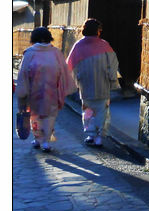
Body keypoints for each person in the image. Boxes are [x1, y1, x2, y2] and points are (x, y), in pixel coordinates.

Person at [15, 27, 76, 152]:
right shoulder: (56, 52)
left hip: (34, 91)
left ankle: (38, 139)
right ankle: (45, 141)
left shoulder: (30, 53)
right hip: (52, 90)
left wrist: (22, 91)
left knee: (35, 116)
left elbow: (23, 74)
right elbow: (64, 71)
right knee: (49, 116)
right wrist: (64, 87)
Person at [66, 18, 120, 147]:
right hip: (103, 84)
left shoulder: (78, 46)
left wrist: (74, 80)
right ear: (98, 31)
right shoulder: (104, 45)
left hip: (85, 84)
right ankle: (99, 137)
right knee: (102, 110)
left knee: (88, 110)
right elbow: (113, 65)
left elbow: (69, 65)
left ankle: (90, 135)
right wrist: (113, 80)